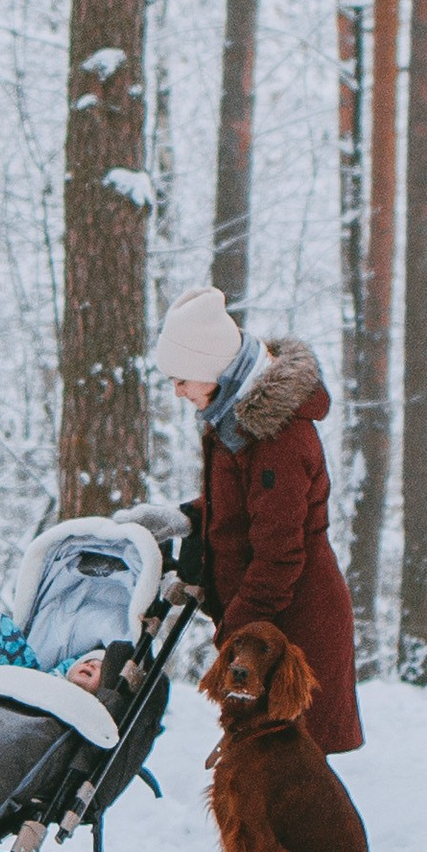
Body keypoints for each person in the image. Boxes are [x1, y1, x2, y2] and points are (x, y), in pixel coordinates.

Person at [152, 286, 363, 755]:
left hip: (293, 626)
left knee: (288, 770)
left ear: (212, 368)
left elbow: (278, 553)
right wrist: (178, 520)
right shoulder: (235, 420)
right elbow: (239, 510)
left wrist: (236, 635)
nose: (178, 390)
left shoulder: (277, 437)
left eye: (182, 377)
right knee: (262, 765)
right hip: (266, 622)